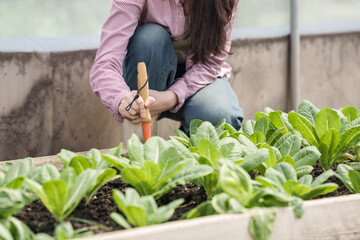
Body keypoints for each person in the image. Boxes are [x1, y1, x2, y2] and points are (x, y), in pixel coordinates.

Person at [90, 0, 244, 135]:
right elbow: (105, 62)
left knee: (221, 116)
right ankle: (141, 150)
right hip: (149, 71)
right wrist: (121, 99)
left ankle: (187, 159)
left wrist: (171, 97)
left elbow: (210, 63)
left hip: (198, 76)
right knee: (150, 38)